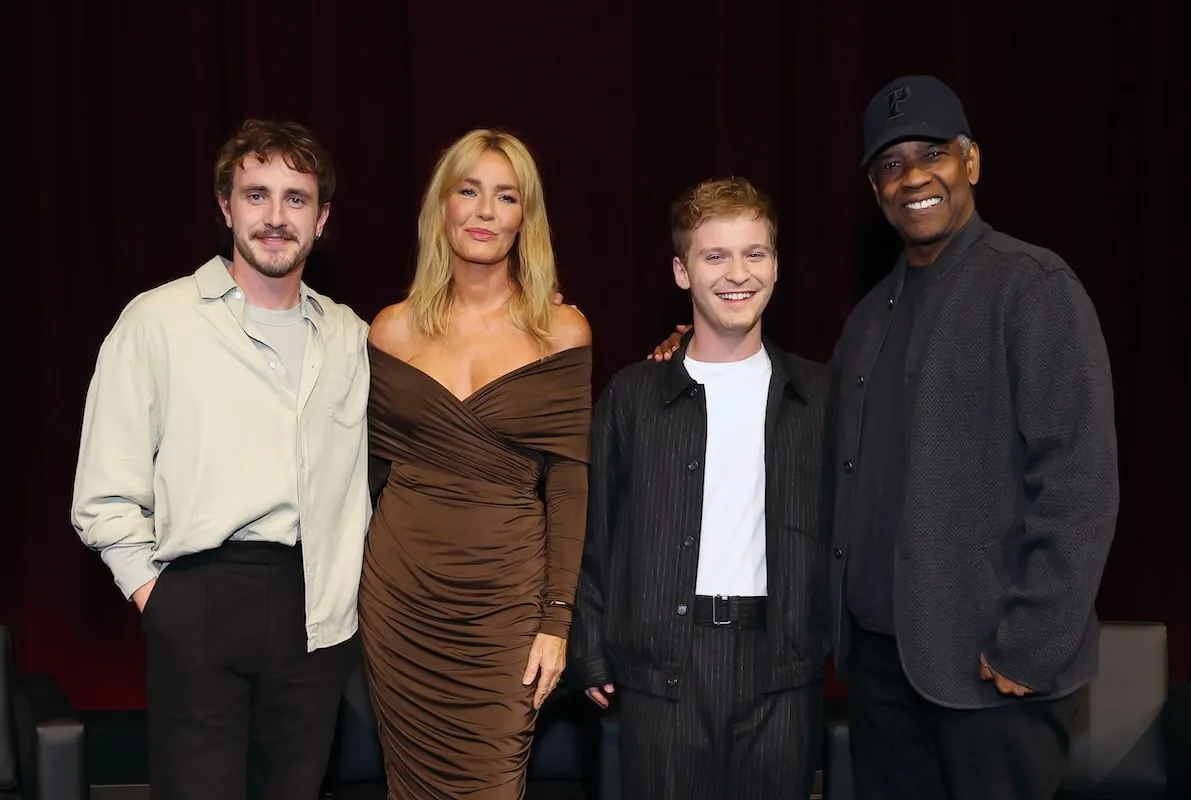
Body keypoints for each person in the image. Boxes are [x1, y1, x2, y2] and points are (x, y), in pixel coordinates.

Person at [654, 76, 1120, 800]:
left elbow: (1080, 482)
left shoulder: (1031, 287)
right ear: (876, 192)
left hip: (990, 671)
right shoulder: (868, 318)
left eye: (933, 152)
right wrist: (694, 360)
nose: (914, 177)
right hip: (881, 671)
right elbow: (809, 439)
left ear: (972, 162)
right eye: (891, 165)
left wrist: (1030, 645)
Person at [71, 119, 368, 799]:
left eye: (296, 199)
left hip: (314, 614)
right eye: (256, 194)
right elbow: (102, 492)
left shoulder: (353, 338)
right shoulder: (158, 321)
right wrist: (157, 597)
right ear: (224, 207)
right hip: (198, 599)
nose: (274, 216)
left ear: (321, 220)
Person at [573, 178, 832, 800]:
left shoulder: (822, 397)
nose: (737, 273)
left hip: (783, 665)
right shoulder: (633, 397)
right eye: (714, 256)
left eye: (755, 253)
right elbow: (592, 528)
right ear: (682, 271)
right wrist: (589, 646)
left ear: (776, 265)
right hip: (662, 666)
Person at [360, 128, 592, 799]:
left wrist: (557, 620)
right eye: (469, 191)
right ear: (443, 206)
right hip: (400, 600)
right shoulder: (390, 329)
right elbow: (364, 474)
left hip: (505, 606)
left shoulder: (562, 331)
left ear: (526, 218)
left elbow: (571, 486)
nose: (485, 211)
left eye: (506, 196)